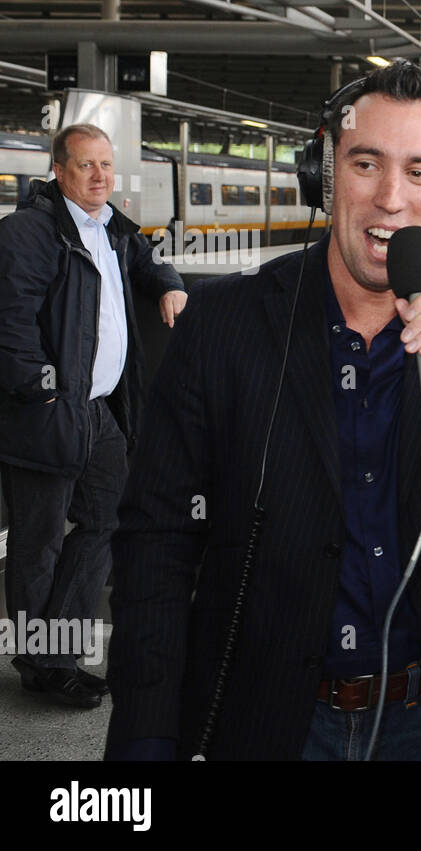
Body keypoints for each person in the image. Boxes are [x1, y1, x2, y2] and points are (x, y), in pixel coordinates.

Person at [104, 61, 421, 760]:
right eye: (367, 163)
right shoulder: (222, 324)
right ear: (326, 172)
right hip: (275, 719)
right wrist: (146, 735)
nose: (390, 198)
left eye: (420, 172)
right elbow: (155, 540)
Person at [0, 123, 186, 710]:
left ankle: (57, 651)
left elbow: (147, 258)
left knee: (107, 519)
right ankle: (43, 662)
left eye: (106, 165)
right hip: (47, 413)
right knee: (39, 544)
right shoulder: (29, 234)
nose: (101, 176)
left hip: (99, 411)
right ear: (58, 171)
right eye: (87, 166)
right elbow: (9, 327)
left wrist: (170, 284)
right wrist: (44, 392)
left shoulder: (109, 227)